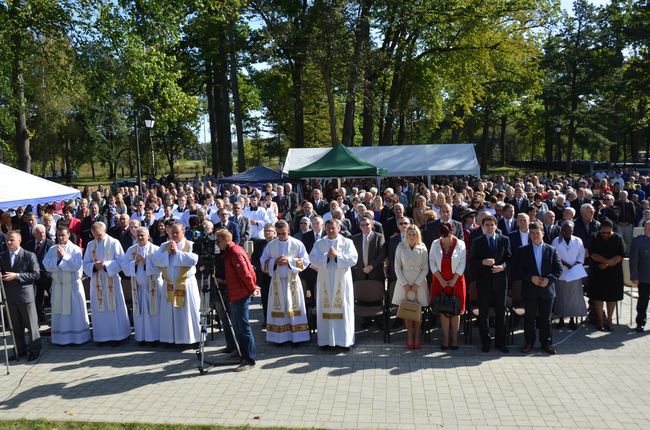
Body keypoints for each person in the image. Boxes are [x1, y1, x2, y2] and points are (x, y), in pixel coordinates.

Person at [309, 219, 358, 350]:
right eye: (328, 228)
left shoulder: (347, 242)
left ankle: (344, 341)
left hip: (342, 281)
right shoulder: (319, 243)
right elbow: (312, 259)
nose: (330, 230)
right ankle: (325, 341)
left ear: (339, 228)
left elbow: (354, 259)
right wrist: (326, 256)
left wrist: (337, 256)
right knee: (325, 307)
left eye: (333, 227)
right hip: (324, 280)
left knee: (343, 307)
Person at [260, 220, 311, 344]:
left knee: (293, 309)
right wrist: (274, 262)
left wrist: (289, 261)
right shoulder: (271, 245)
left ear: (288, 230)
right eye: (278, 234)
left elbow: (305, 261)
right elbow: (263, 261)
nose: (281, 236)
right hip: (277, 282)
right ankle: (279, 338)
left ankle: (297, 337)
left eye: (283, 233)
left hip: (292, 281)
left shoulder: (297, 243)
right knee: (280, 310)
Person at [216, 228, 258, 372]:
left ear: (226, 240)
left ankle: (249, 359)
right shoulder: (231, 251)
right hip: (236, 293)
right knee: (239, 327)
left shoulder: (234, 252)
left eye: (219, 241)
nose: (217, 244)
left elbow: (246, 273)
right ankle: (242, 354)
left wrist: (252, 289)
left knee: (243, 328)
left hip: (240, 294)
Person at [151, 223, 201, 345]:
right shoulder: (164, 246)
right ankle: (170, 339)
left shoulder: (190, 245)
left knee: (186, 313)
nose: (173, 235)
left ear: (183, 232)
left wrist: (177, 252)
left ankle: (190, 339)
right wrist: (167, 253)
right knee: (169, 313)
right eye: (171, 232)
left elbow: (193, 260)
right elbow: (155, 260)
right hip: (169, 285)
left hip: (185, 284)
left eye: (176, 232)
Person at [82, 222, 131, 344]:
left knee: (114, 308)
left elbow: (121, 261)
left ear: (104, 231)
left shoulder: (114, 242)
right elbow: (85, 263)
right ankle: (101, 337)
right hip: (97, 281)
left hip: (111, 280)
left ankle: (118, 336)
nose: (97, 238)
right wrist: (94, 266)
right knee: (99, 309)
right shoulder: (90, 245)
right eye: (95, 235)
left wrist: (106, 265)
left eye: (99, 235)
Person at [469, 215, 511, 353]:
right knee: (484, 314)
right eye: (486, 225)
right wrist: (482, 262)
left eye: (492, 225)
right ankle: (485, 342)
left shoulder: (504, 240)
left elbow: (510, 260)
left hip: (500, 282)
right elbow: (472, 263)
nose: (489, 227)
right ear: (482, 227)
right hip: (484, 282)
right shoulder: (477, 241)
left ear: (496, 226)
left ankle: (500, 342)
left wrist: (502, 267)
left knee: (500, 313)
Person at [518, 223, 563, 354]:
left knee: (546, 319)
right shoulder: (523, 250)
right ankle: (529, 342)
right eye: (532, 233)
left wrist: (549, 279)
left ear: (542, 233)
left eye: (537, 233)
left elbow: (558, 269)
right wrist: (530, 277)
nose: (535, 236)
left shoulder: (551, 249)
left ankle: (546, 343)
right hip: (530, 289)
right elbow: (517, 270)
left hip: (547, 290)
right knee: (529, 318)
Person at [43, 225, 91, 345]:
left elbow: (76, 266)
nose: (60, 237)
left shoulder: (75, 249)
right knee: (60, 314)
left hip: (72, 287)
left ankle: (78, 338)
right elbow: (46, 264)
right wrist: (58, 260)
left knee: (74, 313)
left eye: (63, 235)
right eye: (58, 235)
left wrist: (64, 257)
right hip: (59, 286)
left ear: (68, 235)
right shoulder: (53, 249)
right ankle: (61, 339)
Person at [0, 231, 41, 361]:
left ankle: (34, 349)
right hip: (9, 296)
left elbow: (36, 275)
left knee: (31, 325)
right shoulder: (2, 256)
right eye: (7, 240)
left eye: (12, 240)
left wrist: (17, 276)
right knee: (15, 326)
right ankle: (20, 349)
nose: (9, 242)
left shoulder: (29, 255)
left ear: (19, 240)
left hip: (25, 295)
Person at [121, 227, 163, 345]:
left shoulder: (155, 249)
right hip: (138, 288)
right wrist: (134, 262)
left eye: (142, 235)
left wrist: (145, 262)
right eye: (138, 235)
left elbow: (160, 267)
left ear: (148, 236)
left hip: (153, 288)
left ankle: (155, 338)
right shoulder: (131, 250)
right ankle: (141, 338)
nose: (140, 237)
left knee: (154, 314)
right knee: (140, 314)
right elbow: (124, 267)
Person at [389, 224, 428, 349]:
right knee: (407, 310)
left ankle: (417, 336)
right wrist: (404, 284)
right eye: (409, 234)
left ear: (418, 235)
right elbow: (397, 267)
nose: (411, 236)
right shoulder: (401, 247)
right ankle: (409, 336)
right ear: (406, 235)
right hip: (403, 282)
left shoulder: (423, 248)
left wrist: (417, 284)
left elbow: (425, 268)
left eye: (414, 234)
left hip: (419, 283)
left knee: (417, 309)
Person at [430, 222, 466, 350]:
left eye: (449, 236)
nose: (446, 239)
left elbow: (462, 263)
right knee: (443, 309)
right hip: (440, 282)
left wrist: (454, 279)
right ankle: (445, 338)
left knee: (456, 310)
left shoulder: (460, 244)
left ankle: (455, 338)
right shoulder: (435, 244)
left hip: (456, 282)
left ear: (453, 233)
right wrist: (441, 279)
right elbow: (432, 262)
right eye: (444, 237)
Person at [587, 219, 625, 331]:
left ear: (612, 230)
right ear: (600, 230)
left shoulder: (618, 238)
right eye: (603, 232)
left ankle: (609, 320)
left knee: (612, 297)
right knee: (598, 296)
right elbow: (592, 253)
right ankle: (600, 321)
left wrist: (608, 264)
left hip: (614, 272)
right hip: (598, 271)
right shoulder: (594, 237)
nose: (605, 235)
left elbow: (621, 254)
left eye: (608, 233)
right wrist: (606, 261)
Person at [551, 221, 588, 330]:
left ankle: (572, 320)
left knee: (574, 297)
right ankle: (561, 319)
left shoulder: (578, 240)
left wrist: (577, 263)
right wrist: (566, 264)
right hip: (561, 272)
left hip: (574, 273)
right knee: (561, 297)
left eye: (570, 230)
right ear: (562, 230)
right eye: (565, 229)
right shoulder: (556, 241)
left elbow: (581, 254)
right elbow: (554, 255)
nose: (568, 232)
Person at [23, 224, 54, 324]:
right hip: (34, 277)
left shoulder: (51, 244)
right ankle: (40, 317)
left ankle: (55, 317)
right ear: (34, 234)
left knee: (52, 297)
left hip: (47, 276)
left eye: (44, 232)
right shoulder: (28, 245)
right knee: (37, 298)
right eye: (40, 232)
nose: (42, 234)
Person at [629, 220, 650, 332]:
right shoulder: (638, 241)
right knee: (643, 301)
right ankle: (640, 323)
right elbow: (633, 261)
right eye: (646, 228)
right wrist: (634, 276)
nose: (648, 230)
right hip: (644, 277)